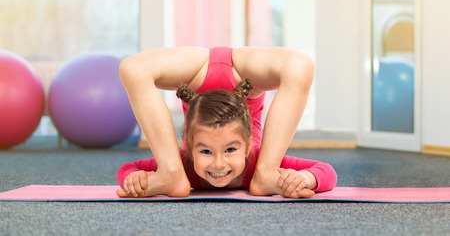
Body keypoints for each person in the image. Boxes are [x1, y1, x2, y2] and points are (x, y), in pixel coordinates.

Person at [117, 46, 317, 197]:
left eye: (230, 150)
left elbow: (127, 169)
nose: (218, 164)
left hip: (213, 72)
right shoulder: (188, 164)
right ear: (192, 146)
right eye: (206, 152)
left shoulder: (192, 163)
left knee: (302, 65)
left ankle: (267, 173)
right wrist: (307, 178)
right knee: (131, 68)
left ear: (247, 146)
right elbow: (325, 173)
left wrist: (133, 178)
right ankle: (170, 173)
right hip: (234, 73)